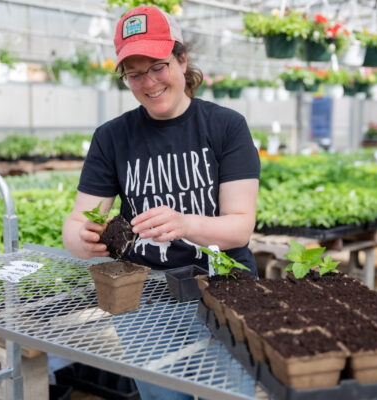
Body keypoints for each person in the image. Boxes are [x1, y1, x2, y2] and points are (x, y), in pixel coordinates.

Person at [62, 5, 260, 399]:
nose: (148, 83)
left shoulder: (226, 126)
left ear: (182, 60)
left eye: (158, 66)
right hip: (145, 300)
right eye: (134, 74)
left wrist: (185, 224)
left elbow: (240, 226)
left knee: (230, 394)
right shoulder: (112, 137)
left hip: (226, 291)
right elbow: (77, 222)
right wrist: (80, 239)